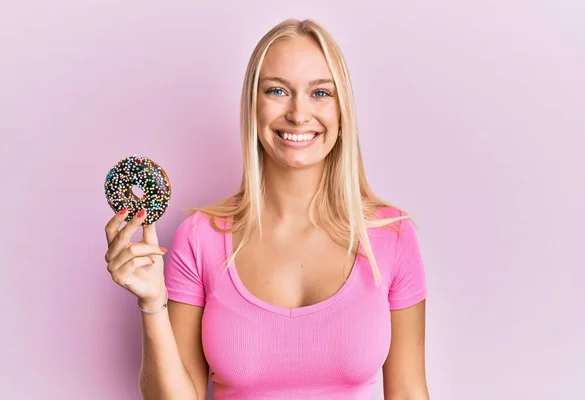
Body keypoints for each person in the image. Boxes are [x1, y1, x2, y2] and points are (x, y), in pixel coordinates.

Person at [104, 18, 429, 400]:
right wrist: (152, 304)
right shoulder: (200, 237)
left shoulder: (391, 236)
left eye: (320, 93)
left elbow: (409, 392)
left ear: (343, 114)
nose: (298, 113)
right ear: (252, 108)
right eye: (277, 90)